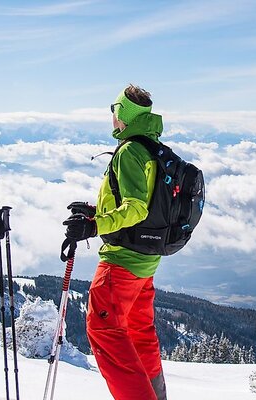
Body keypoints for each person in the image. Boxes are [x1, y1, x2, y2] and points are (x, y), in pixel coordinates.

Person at [63, 84, 167, 400]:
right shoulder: (152, 147)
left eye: (114, 108)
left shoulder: (131, 150)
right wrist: (96, 212)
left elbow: (135, 208)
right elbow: (144, 203)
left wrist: (94, 226)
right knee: (138, 332)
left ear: (121, 113)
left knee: (103, 329)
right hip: (146, 257)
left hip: (122, 259)